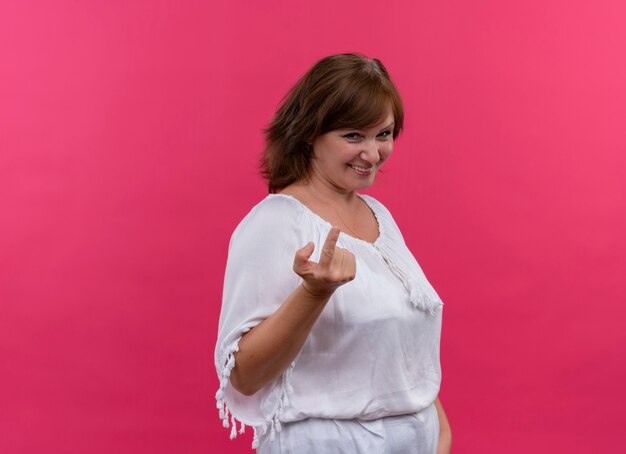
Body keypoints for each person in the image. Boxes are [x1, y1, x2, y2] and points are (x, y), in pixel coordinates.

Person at [214, 53, 452, 453]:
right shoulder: (275, 223)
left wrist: (435, 430)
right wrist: (313, 294)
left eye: (385, 134)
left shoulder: (378, 216)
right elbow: (245, 376)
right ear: (310, 133)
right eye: (353, 136)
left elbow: (398, 346)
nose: (373, 154)